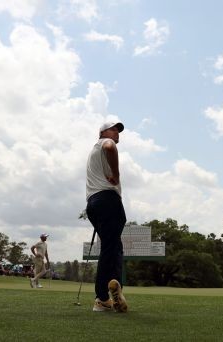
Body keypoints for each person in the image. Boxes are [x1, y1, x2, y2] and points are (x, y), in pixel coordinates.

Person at [85, 121, 128, 313]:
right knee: (111, 248)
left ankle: (115, 286)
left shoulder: (93, 151)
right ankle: (102, 297)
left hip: (93, 203)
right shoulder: (105, 143)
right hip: (108, 199)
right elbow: (110, 146)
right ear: (102, 132)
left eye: (118, 131)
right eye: (114, 129)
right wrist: (116, 174)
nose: (117, 133)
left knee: (114, 247)